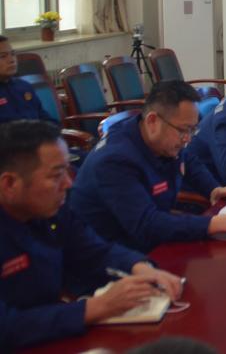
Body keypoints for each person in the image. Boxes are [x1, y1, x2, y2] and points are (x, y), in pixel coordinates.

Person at [0, 120, 183, 350]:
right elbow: (6, 326)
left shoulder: (50, 210)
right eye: (56, 176)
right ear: (9, 184)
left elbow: (95, 251)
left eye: (67, 170)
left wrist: (141, 267)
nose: (68, 183)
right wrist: (97, 307)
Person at [69, 81, 226, 252]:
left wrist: (214, 188)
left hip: (149, 240)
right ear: (152, 121)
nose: (187, 138)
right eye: (183, 130)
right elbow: (147, 225)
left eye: (192, 130)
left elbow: (189, 161)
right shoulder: (114, 160)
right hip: (111, 256)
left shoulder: (163, 139)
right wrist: (219, 223)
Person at [0, 37, 51, 123]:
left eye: (12, 54)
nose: (11, 60)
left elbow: (43, 117)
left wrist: (57, 129)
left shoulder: (24, 86)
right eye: (3, 56)